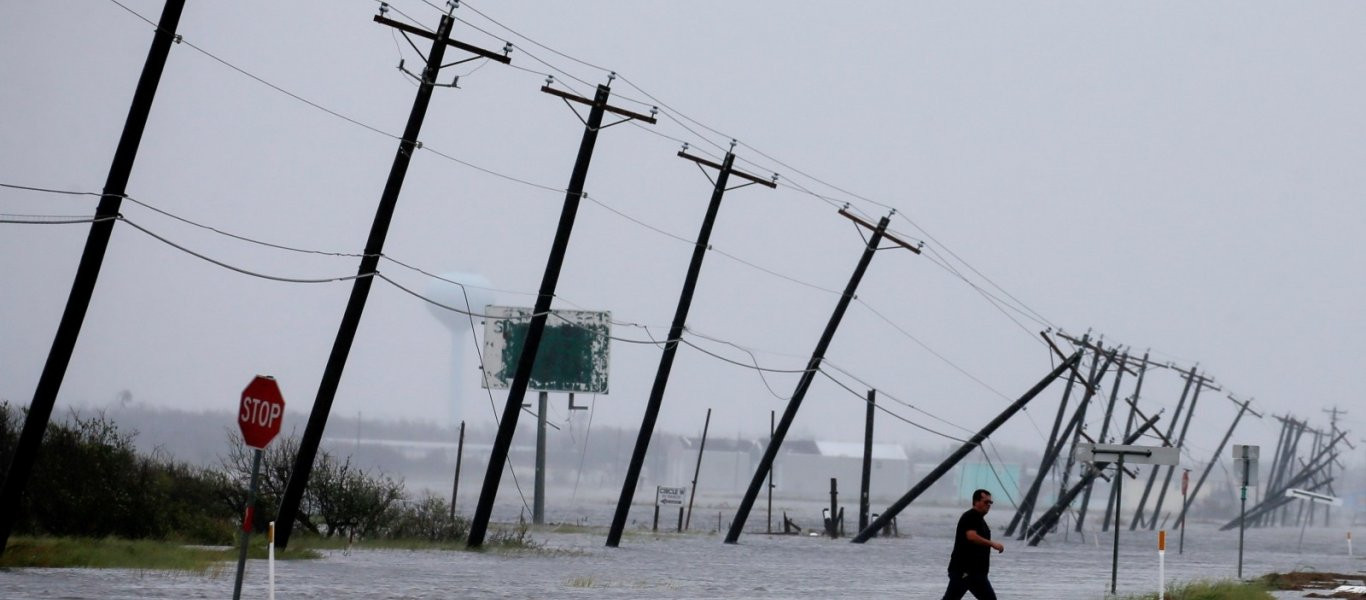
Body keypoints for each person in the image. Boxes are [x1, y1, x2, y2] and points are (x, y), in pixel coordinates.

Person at [941, 489, 1004, 600]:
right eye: (986, 502)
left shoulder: (980, 520)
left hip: (977, 573)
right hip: (965, 571)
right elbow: (971, 536)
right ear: (976, 502)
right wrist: (992, 544)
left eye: (990, 503)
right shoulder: (970, 516)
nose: (988, 505)